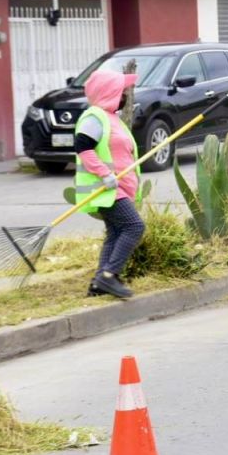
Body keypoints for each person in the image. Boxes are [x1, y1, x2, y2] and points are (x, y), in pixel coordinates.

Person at [73, 69, 145, 299]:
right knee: (134, 226)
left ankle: (98, 283)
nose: (125, 94)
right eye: (122, 90)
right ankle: (108, 276)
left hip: (117, 187)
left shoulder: (110, 117)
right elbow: (83, 147)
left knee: (115, 233)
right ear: (109, 91)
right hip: (105, 187)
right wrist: (104, 174)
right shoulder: (94, 117)